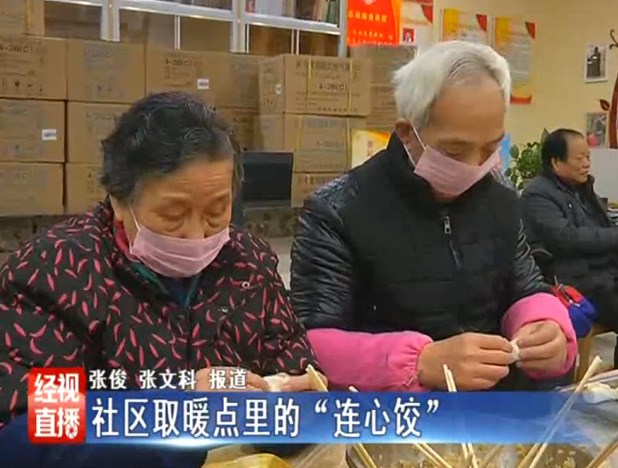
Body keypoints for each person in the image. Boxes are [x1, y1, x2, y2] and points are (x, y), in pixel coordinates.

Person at [0, 92, 323, 467]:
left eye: (217, 211)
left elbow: (297, 371)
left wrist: (289, 410)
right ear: (119, 201)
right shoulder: (56, 270)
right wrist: (175, 409)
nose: (197, 235)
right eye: (172, 215)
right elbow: (26, 430)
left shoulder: (249, 264)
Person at [290, 41, 576, 393]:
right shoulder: (337, 210)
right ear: (407, 133)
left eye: (490, 148)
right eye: (454, 151)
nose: (475, 167)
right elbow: (308, 345)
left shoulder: (499, 195)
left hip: (498, 409)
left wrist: (543, 325)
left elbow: (524, 284)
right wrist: (418, 362)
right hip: (394, 417)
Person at [521, 128, 618, 366]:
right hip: (576, 281)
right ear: (556, 162)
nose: (587, 164)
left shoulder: (582, 188)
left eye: (588, 157)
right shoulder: (537, 195)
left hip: (605, 273)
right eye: (580, 158)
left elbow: (604, 228)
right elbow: (566, 238)